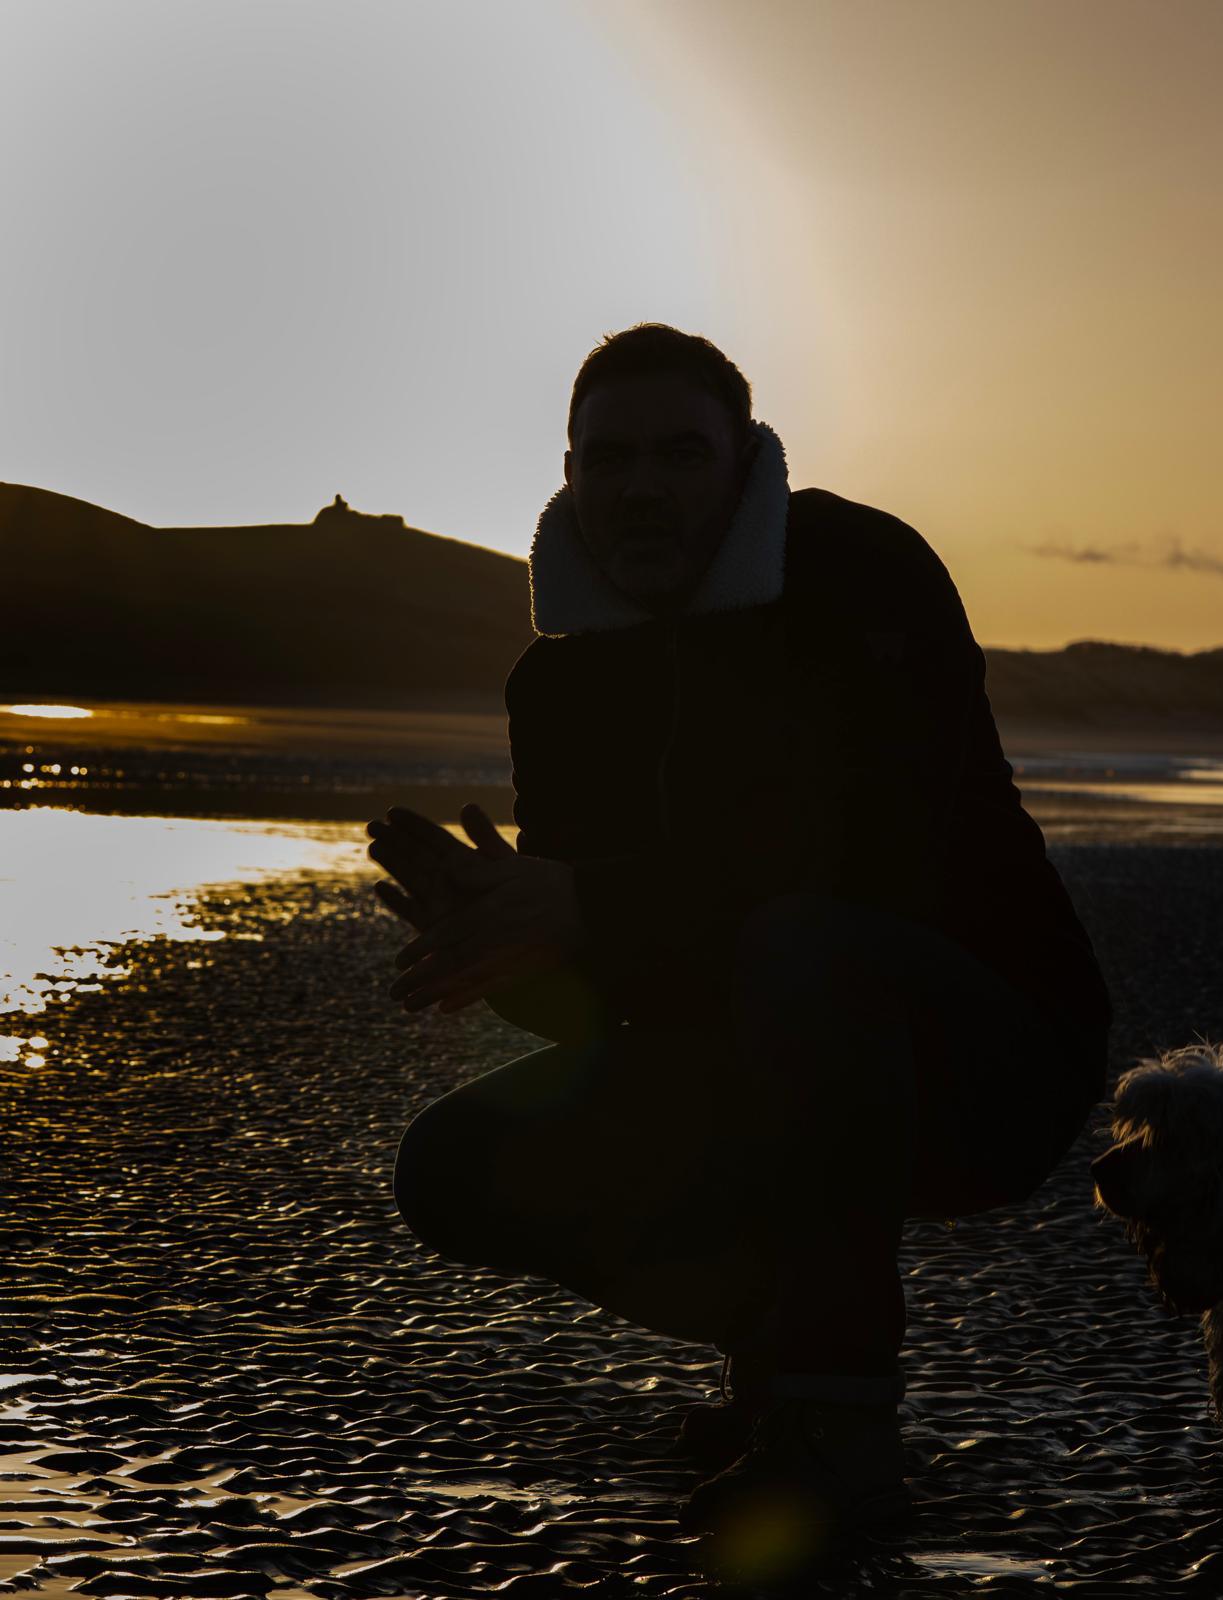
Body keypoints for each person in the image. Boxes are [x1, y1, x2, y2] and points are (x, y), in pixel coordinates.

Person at [369, 323, 1110, 1547]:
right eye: (610, 459)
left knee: (804, 950)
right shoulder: (558, 683)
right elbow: (624, 999)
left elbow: (880, 866)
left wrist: (593, 901)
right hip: (758, 1046)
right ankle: (786, 1338)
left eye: (680, 454)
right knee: (452, 1168)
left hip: (984, 1050)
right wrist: (506, 943)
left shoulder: (858, 574)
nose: (642, 487)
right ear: (570, 475)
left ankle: (837, 1422)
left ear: (745, 460)